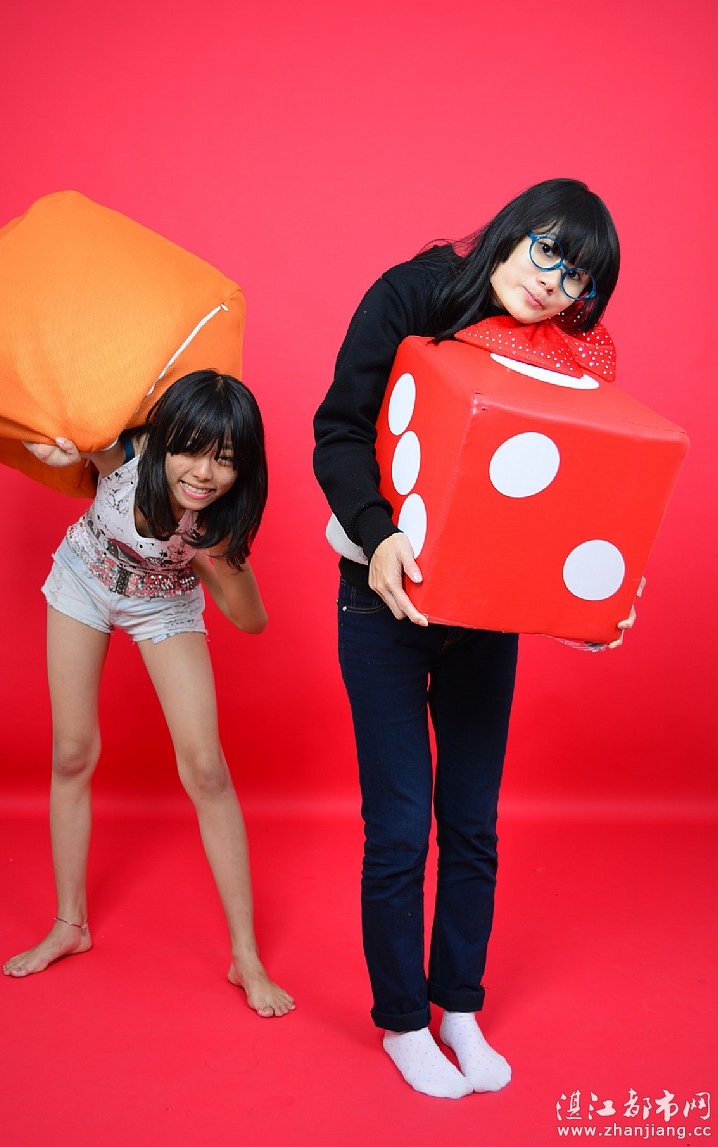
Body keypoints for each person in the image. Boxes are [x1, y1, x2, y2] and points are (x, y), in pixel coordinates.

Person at [313, 178, 636, 1095]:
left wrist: (588, 609)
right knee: (399, 828)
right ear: (514, 228)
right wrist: (379, 536)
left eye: (577, 277)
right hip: (381, 605)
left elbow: (562, 491)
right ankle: (403, 1021)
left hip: (485, 618)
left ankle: (459, 1004)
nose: (553, 282)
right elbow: (338, 431)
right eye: (547, 250)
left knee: (472, 823)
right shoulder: (410, 292)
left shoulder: (559, 351)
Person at [2, 369, 295, 1019]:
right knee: (72, 753)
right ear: (163, 441)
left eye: (225, 459)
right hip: (85, 576)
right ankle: (69, 924)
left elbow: (251, 621)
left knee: (207, 769)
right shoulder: (126, 456)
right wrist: (57, 448)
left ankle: (245, 956)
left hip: (162, 603)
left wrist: (213, 555)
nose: (204, 472)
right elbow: (62, 432)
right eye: (190, 450)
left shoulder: (217, 525)